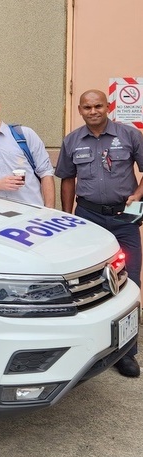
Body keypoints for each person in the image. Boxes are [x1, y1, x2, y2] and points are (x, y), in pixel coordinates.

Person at [56, 89, 143, 378]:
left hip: (123, 219)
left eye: (98, 106)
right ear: (79, 110)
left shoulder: (129, 135)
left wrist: (138, 195)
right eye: (87, 107)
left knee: (128, 282)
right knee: (87, 284)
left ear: (108, 106)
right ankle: (92, 346)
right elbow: (67, 179)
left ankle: (128, 352)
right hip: (88, 219)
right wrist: (68, 219)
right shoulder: (72, 141)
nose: (93, 111)